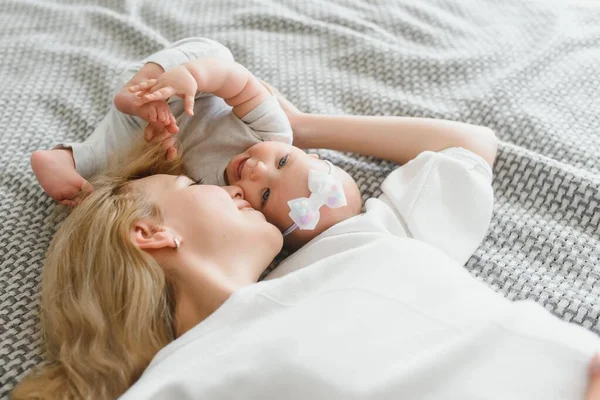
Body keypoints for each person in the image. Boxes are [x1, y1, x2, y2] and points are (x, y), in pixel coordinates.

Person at [14, 88, 600, 399]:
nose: (229, 183)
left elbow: (468, 145)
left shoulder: (354, 242)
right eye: (193, 185)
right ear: (150, 233)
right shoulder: (178, 383)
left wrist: (301, 126)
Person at [30, 37, 362, 249]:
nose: (259, 170)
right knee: (218, 54)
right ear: (305, 152)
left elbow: (165, 188)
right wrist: (194, 76)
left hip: (145, 134)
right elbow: (239, 83)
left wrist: (162, 156)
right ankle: (136, 88)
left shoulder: (222, 201)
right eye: (283, 162)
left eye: (264, 195)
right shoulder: (275, 134)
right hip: (175, 90)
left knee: (111, 168)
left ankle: (68, 160)